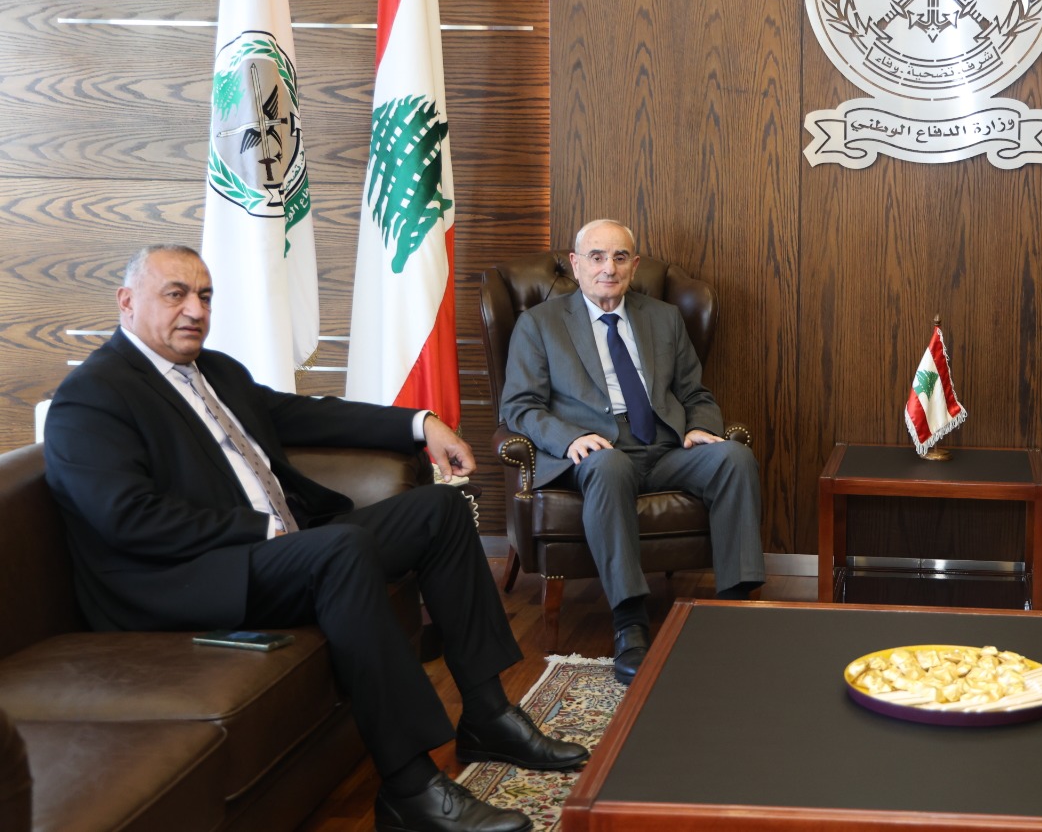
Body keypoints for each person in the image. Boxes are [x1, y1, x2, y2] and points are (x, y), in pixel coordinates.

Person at [44, 244, 586, 832]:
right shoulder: (93, 394)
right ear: (127, 302)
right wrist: (263, 528)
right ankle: (410, 787)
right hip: (191, 575)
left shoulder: (215, 370)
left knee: (440, 509)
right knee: (340, 549)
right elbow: (125, 516)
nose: (195, 310)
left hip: (279, 549)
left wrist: (421, 423)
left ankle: (488, 715)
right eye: (175, 294)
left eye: (204, 296)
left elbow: (306, 414)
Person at [500, 219, 765, 683]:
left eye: (620, 257)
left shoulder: (663, 318)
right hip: (594, 450)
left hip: (665, 446)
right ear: (576, 264)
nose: (609, 267)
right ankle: (630, 624)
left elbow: (695, 393)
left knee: (734, 458)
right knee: (608, 466)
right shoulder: (539, 324)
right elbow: (519, 407)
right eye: (597, 257)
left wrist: (701, 427)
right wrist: (568, 438)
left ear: (634, 265)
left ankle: (735, 610)